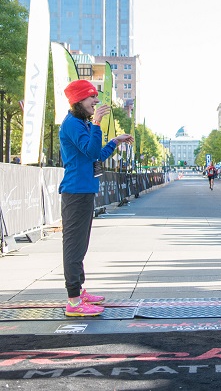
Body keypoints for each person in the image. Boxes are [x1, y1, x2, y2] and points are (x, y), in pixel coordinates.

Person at [59, 79, 134, 317]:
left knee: (80, 245)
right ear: (79, 100)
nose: (96, 101)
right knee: (73, 246)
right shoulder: (73, 124)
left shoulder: (81, 122)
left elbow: (97, 155)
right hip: (76, 191)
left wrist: (114, 141)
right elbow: (91, 151)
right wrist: (99, 123)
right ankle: (73, 301)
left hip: (84, 190)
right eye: (92, 97)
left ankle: (79, 292)